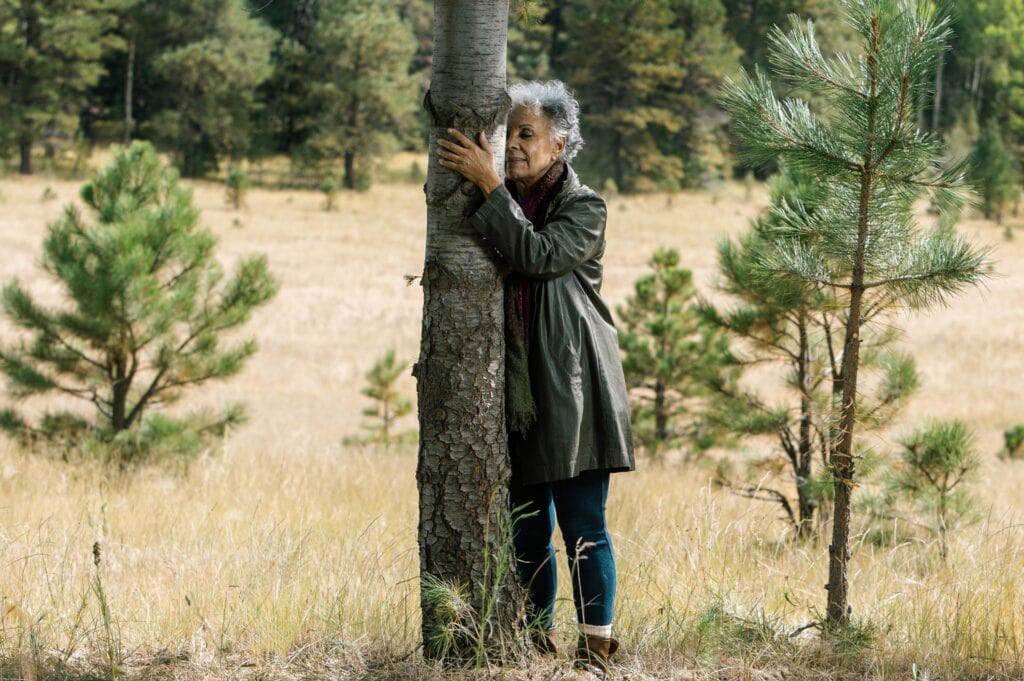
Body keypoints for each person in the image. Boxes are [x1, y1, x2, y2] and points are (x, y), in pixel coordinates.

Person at [437, 80, 635, 676]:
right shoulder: (504, 203)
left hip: (576, 389)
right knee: (526, 529)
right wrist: (492, 192)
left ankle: (596, 647)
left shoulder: (585, 207)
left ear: (560, 144)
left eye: (528, 134)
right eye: (510, 134)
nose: (515, 146)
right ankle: (534, 638)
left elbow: (539, 256)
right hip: (519, 391)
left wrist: (490, 187)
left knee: (582, 527)